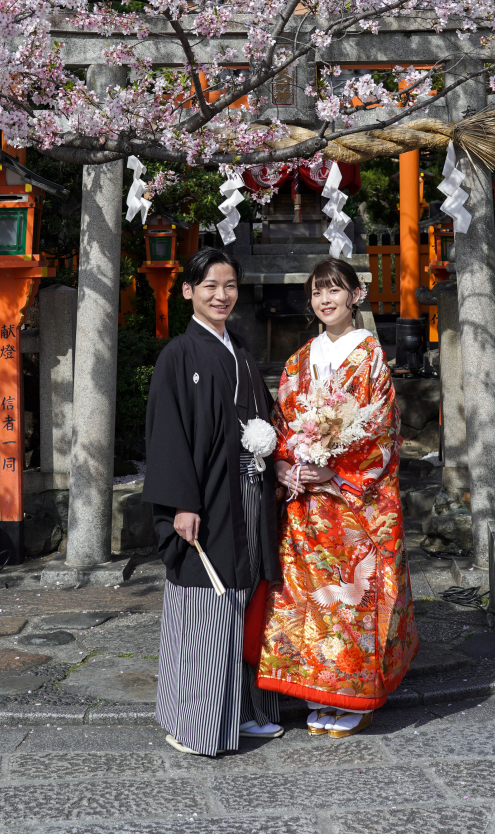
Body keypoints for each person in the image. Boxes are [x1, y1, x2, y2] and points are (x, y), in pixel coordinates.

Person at [255, 256, 418, 736]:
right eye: (317, 292)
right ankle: (318, 689)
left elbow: (382, 432)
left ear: (355, 295)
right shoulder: (299, 360)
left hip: (350, 502)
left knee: (353, 597)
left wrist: (332, 470)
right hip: (306, 501)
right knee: (311, 599)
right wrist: (284, 464)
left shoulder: (370, 356)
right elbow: (283, 422)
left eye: (334, 290)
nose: (325, 300)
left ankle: (356, 694)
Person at [142, 246, 284, 757]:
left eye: (229, 286)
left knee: (245, 600)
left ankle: (243, 712)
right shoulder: (179, 355)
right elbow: (168, 434)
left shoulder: (240, 352)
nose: (221, 295)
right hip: (205, 498)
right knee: (208, 602)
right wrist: (182, 503)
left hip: (248, 494)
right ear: (188, 291)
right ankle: (193, 722)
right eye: (210, 286)